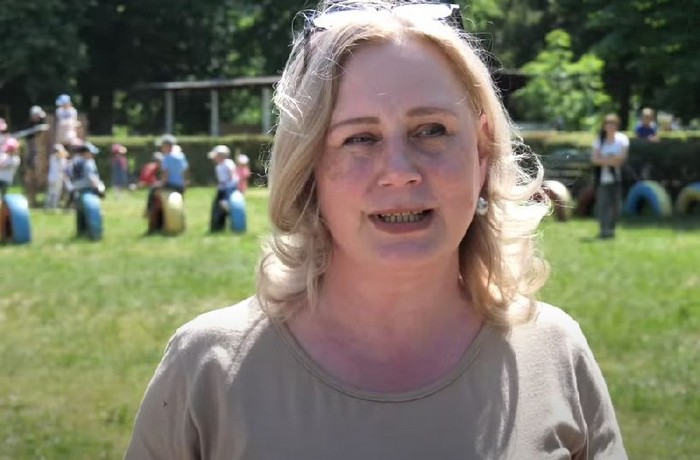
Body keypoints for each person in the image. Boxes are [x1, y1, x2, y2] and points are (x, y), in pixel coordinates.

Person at [126, 2, 627, 459]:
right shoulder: (208, 371)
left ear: (481, 150)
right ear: (308, 168)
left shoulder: (554, 353)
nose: (400, 172)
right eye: (360, 138)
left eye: (431, 130)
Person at [592, 113, 629, 239]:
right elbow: (595, 160)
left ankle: (611, 230)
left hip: (618, 177)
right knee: (603, 204)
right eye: (608, 124)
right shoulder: (600, 140)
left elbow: (621, 159)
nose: (610, 126)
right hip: (602, 178)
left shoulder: (622, 139)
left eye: (613, 124)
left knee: (616, 205)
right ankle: (604, 230)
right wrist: (611, 159)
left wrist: (604, 158)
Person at [144, 135, 189, 228]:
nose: (161, 148)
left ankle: (148, 211)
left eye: (162, 146)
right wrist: (184, 184)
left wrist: (161, 184)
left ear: (167, 146)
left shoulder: (166, 158)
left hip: (170, 184)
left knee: (153, 188)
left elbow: (166, 174)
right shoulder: (181, 156)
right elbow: (184, 172)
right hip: (180, 186)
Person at [208, 144, 239, 232]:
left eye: (216, 156)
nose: (214, 159)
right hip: (222, 188)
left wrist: (230, 182)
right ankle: (217, 226)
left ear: (221, 156)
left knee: (224, 203)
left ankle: (227, 209)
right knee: (218, 205)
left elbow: (232, 173)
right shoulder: (218, 166)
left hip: (228, 187)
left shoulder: (228, 163)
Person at [45, 144, 68, 211]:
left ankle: (51, 206)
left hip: (54, 177)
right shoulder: (57, 158)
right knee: (53, 192)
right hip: (56, 177)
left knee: (54, 192)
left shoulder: (53, 157)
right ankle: (50, 206)